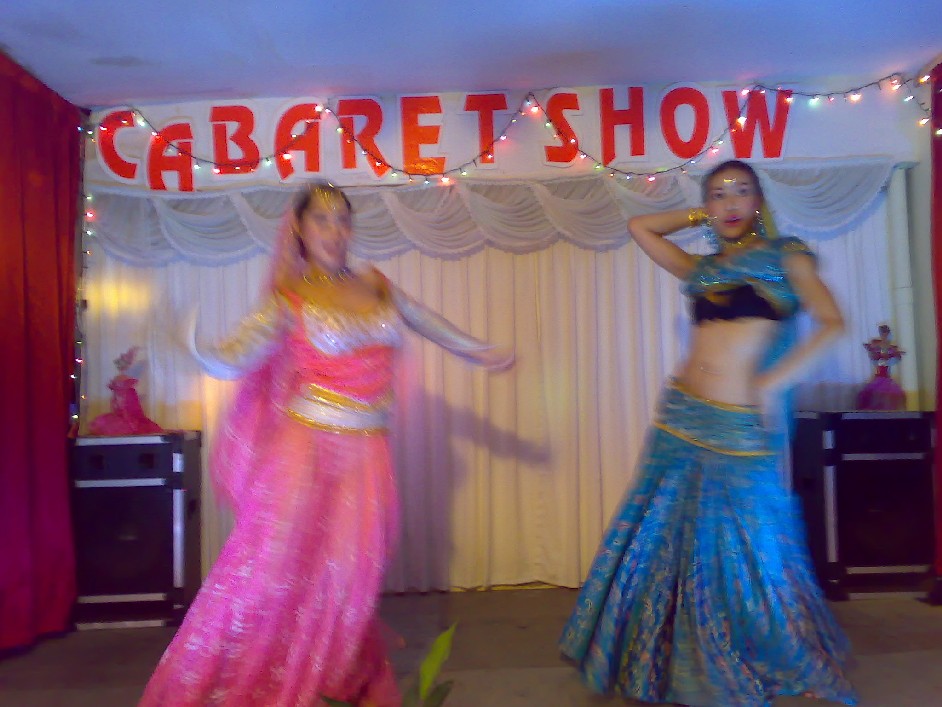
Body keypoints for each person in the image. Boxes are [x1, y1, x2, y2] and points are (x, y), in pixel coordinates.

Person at [139, 181, 512, 707]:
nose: (335, 232)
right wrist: (191, 345)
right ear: (299, 228)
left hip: (367, 455)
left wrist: (481, 351)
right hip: (305, 452)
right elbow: (234, 357)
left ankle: (326, 676)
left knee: (351, 577)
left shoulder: (377, 285)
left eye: (343, 220)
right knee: (271, 570)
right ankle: (237, 674)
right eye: (322, 220)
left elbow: (427, 322)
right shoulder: (289, 298)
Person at [559, 160, 858, 706]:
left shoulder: (786, 255)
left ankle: (774, 653)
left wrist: (774, 382)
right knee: (667, 543)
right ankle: (668, 659)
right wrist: (701, 214)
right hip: (681, 415)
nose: (730, 203)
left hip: (738, 422)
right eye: (718, 195)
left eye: (741, 192)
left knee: (753, 550)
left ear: (759, 202)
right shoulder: (702, 268)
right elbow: (640, 228)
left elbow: (832, 321)